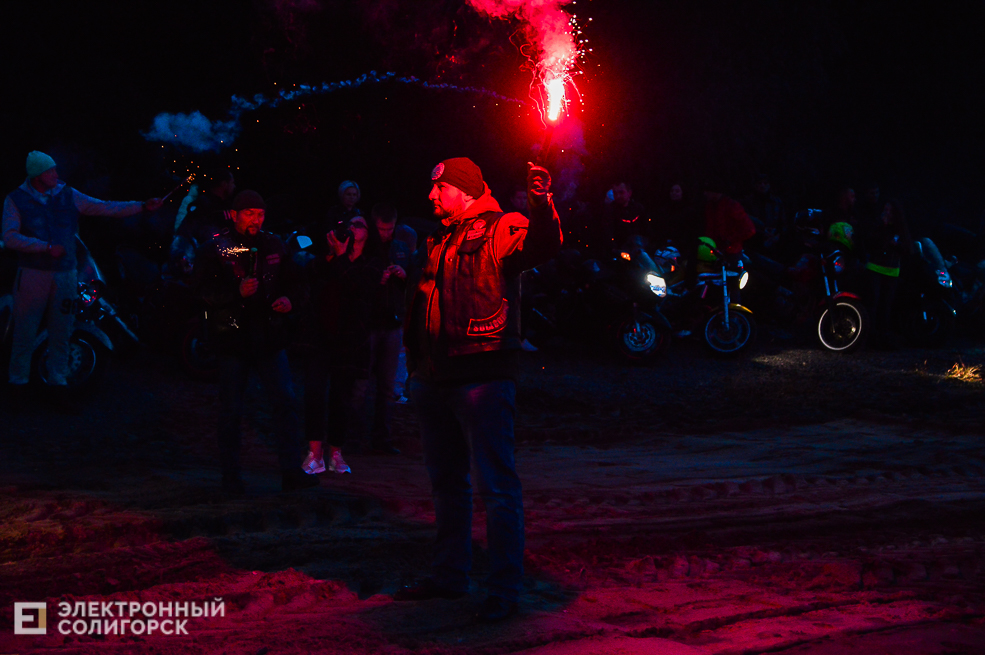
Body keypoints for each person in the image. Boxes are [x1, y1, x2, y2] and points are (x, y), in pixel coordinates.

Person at [393, 158, 561, 623]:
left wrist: (542, 202)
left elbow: (544, 245)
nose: (431, 195)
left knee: (496, 486)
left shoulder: (502, 226)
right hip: (433, 377)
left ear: (464, 191)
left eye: (439, 188)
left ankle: (504, 589)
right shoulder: (439, 237)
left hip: (482, 376)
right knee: (447, 484)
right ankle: (450, 576)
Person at [2, 151, 162, 405]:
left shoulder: (68, 195)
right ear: (37, 175)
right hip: (33, 273)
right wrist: (42, 247)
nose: (56, 174)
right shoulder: (16, 200)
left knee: (62, 329)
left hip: (65, 273)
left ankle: (58, 384)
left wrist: (141, 206)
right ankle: (18, 384)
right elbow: (9, 236)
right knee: (25, 329)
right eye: (50, 171)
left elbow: (104, 207)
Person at [193, 189, 315, 494]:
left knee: (285, 403)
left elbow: (296, 281)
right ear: (235, 215)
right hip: (233, 339)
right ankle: (230, 477)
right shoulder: (216, 249)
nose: (255, 220)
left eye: (260, 214)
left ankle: (290, 472)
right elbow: (201, 292)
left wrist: (289, 300)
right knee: (231, 408)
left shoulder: (274, 244)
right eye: (249, 214)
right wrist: (236, 294)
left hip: (269, 337)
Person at [302, 215, 383, 476]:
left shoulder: (372, 262)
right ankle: (314, 453)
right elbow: (312, 276)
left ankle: (336, 452)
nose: (353, 228)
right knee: (314, 393)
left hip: (350, 340)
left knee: (340, 397)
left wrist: (338, 258)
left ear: (368, 234)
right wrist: (332, 254)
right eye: (350, 224)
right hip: (321, 335)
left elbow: (358, 286)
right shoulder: (330, 255)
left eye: (359, 225)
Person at [366, 202, 416, 453]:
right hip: (368, 324)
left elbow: (412, 283)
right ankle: (354, 437)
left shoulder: (401, 249)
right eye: (382, 229)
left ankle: (381, 439)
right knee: (360, 384)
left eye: (390, 229)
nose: (386, 233)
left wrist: (403, 275)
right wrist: (377, 281)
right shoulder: (366, 249)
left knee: (387, 386)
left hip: (392, 322)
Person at [861, 198, 912, 348]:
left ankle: (883, 338)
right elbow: (869, 242)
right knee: (873, 303)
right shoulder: (877, 225)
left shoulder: (900, 229)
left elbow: (908, 250)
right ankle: (869, 336)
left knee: (886, 305)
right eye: (886, 210)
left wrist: (896, 244)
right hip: (875, 268)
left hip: (892, 271)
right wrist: (881, 229)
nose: (887, 213)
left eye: (890, 211)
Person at [175, 166, 235, 246]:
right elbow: (187, 231)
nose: (234, 186)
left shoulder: (224, 205)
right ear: (224, 184)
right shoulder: (203, 204)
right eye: (232, 183)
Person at [601, 181, 650, 253]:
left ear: (629, 193)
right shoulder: (609, 211)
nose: (618, 196)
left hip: (640, 250)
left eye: (621, 192)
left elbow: (647, 229)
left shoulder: (638, 208)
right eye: (615, 193)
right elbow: (607, 233)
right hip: (621, 252)